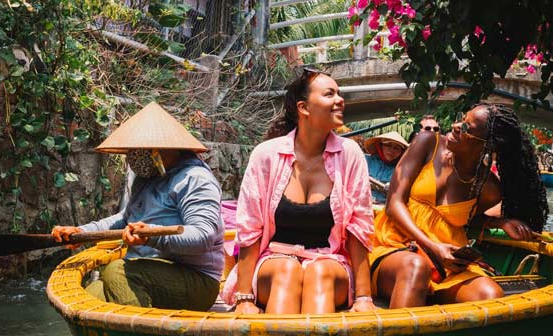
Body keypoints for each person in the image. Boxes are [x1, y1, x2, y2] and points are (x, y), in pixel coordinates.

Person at [224, 68, 376, 315]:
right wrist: (244, 299)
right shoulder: (266, 155)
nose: (340, 100)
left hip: (330, 264)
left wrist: (364, 298)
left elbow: (359, 228)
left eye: (339, 93)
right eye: (329, 94)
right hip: (273, 263)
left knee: (319, 271)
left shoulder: (350, 155)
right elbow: (249, 229)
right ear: (304, 108)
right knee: (287, 269)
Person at [369, 103, 548, 308]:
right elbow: (394, 203)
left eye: (465, 127)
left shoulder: (488, 188)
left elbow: (462, 222)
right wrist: (432, 247)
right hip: (395, 245)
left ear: (485, 145)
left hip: (447, 262)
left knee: (491, 295)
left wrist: (500, 222)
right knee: (416, 268)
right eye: (461, 119)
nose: (455, 126)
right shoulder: (427, 143)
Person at [51, 101, 224, 311]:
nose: (132, 156)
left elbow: (203, 236)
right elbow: (126, 218)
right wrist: (82, 232)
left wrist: (151, 236)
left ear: (158, 150)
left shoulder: (195, 179)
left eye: (138, 150)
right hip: (145, 271)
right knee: (92, 293)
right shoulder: (146, 177)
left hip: (196, 279)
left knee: (116, 271)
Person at [364, 130, 407, 203]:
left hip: (382, 209)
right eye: (388, 145)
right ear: (380, 146)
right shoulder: (365, 160)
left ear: (401, 152)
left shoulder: (401, 171)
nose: (391, 150)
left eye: (396, 148)